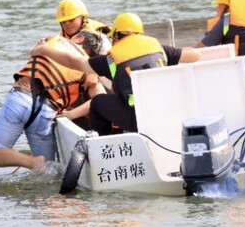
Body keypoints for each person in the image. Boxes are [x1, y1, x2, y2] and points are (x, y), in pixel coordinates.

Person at [31, 12, 202, 136]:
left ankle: (106, 143)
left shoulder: (113, 57)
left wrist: (45, 49)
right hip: (167, 112)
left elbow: (75, 62)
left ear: (117, 35)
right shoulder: (158, 47)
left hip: (138, 118)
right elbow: (195, 55)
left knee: (98, 102)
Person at [0, 30, 107, 171]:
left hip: (21, 98)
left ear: (79, 38)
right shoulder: (88, 68)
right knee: (48, 171)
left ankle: (31, 162)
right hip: (47, 112)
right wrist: (71, 114)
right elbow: (100, 98)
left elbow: (34, 51)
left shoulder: (53, 41)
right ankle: (41, 167)